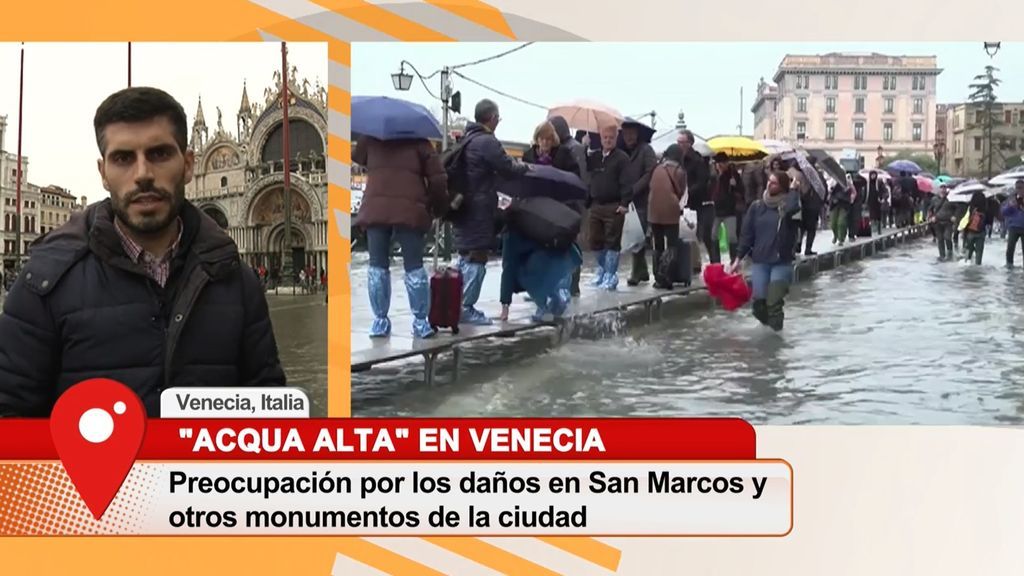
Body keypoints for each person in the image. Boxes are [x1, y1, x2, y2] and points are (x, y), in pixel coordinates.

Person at [0, 87, 286, 417]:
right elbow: (12, 424)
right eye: (123, 158)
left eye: (160, 154)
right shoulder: (43, 285)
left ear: (189, 164)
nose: (143, 174)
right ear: (103, 173)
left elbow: (270, 415)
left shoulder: (237, 281)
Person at [353, 132, 448, 338]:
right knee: (414, 266)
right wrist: (437, 208)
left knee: (377, 266)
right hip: (410, 210)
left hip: (376, 209)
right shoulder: (421, 142)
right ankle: (421, 322)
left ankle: (379, 321)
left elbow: (357, 157)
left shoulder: (371, 139)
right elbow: (438, 180)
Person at [453, 99, 530, 325]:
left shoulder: (467, 139)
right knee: (477, 256)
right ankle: (466, 308)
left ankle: (456, 304)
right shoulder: (487, 141)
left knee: (465, 256)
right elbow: (507, 167)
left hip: (463, 207)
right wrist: (525, 166)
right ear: (493, 118)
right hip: (479, 209)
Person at [728, 170, 802, 331]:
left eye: (774, 182)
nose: (769, 184)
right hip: (761, 261)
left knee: (773, 302)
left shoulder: (787, 206)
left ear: (782, 186)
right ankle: (767, 330)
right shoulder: (757, 207)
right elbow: (747, 235)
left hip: (781, 261)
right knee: (758, 305)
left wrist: (794, 190)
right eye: (769, 181)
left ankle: (776, 339)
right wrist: (737, 259)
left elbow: (792, 210)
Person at [587, 123, 632, 290]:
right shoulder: (595, 157)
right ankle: (602, 269)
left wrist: (624, 203)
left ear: (616, 138)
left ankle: (611, 275)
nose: (608, 140)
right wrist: (585, 146)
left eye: (611, 138)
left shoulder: (622, 158)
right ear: (600, 138)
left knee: (612, 241)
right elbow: (586, 171)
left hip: (614, 205)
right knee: (594, 240)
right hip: (596, 204)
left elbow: (627, 181)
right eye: (605, 137)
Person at [549, 115, 588, 296]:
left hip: (572, 205)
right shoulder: (560, 149)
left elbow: (580, 179)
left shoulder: (574, 148)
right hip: (562, 205)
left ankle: (573, 285)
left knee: (571, 246)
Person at [622, 121, 658, 286]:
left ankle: (636, 272)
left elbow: (650, 172)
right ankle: (642, 271)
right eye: (625, 133)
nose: (628, 137)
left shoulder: (646, 150)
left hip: (642, 199)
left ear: (637, 134)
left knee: (638, 236)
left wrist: (634, 188)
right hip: (627, 200)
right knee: (633, 235)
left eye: (631, 133)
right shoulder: (622, 151)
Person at [647, 144, 687, 289]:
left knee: (657, 244)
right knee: (672, 245)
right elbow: (681, 191)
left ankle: (657, 277)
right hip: (670, 210)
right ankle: (665, 275)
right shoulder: (679, 171)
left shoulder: (656, 168)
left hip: (653, 209)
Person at [678, 130, 712, 267]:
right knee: (685, 234)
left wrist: (687, 193)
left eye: (682, 142)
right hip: (682, 202)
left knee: (698, 234)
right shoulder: (677, 159)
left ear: (690, 143)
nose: (679, 145)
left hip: (697, 203)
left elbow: (702, 182)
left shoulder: (698, 160)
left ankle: (703, 263)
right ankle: (690, 264)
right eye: (678, 142)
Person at [708, 152, 746, 263]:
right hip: (717, 210)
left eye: (721, 163)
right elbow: (711, 190)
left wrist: (734, 186)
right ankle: (716, 261)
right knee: (713, 235)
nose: (718, 166)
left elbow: (741, 191)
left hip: (730, 210)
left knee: (732, 237)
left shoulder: (733, 175)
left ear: (726, 163)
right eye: (717, 163)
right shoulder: (714, 176)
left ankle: (734, 260)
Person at [928, 184, 956, 261]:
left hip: (948, 222)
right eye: (941, 188)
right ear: (939, 189)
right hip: (937, 222)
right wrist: (931, 217)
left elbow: (956, 208)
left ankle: (950, 253)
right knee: (940, 239)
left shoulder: (950, 198)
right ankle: (942, 256)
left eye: (944, 188)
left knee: (947, 237)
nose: (943, 190)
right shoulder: (934, 199)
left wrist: (954, 216)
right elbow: (930, 209)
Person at [1001, 180, 1024, 267]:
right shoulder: (1012, 198)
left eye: (1020, 188)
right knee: (1010, 249)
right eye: (1017, 188)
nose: (1019, 190)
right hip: (1013, 227)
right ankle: (1009, 266)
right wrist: (1009, 206)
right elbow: (1003, 212)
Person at [963, 190, 988, 265]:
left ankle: (967, 262)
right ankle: (977, 263)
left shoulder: (970, 208)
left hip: (970, 232)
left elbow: (965, 220)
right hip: (981, 232)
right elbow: (988, 221)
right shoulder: (986, 208)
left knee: (968, 251)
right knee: (979, 252)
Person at [829, 176, 854, 246]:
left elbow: (853, 192)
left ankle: (841, 238)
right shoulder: (832, 181)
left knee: (841, 222)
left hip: (844, 204)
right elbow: (829, 191)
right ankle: (835, 235)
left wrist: (851, 197)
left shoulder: (847, 182)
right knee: (833, 223)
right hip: (834, 204)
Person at [866, 170, 889, 235]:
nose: (873, 176)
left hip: (878, 201)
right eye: (872, 175)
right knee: (871, 215)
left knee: (878, 216)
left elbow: (885, 191)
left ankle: (878, 229)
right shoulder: (867, 183)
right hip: (869, 201)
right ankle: (873, 229)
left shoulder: (879, 182)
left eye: (874, 175)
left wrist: (883, 198)